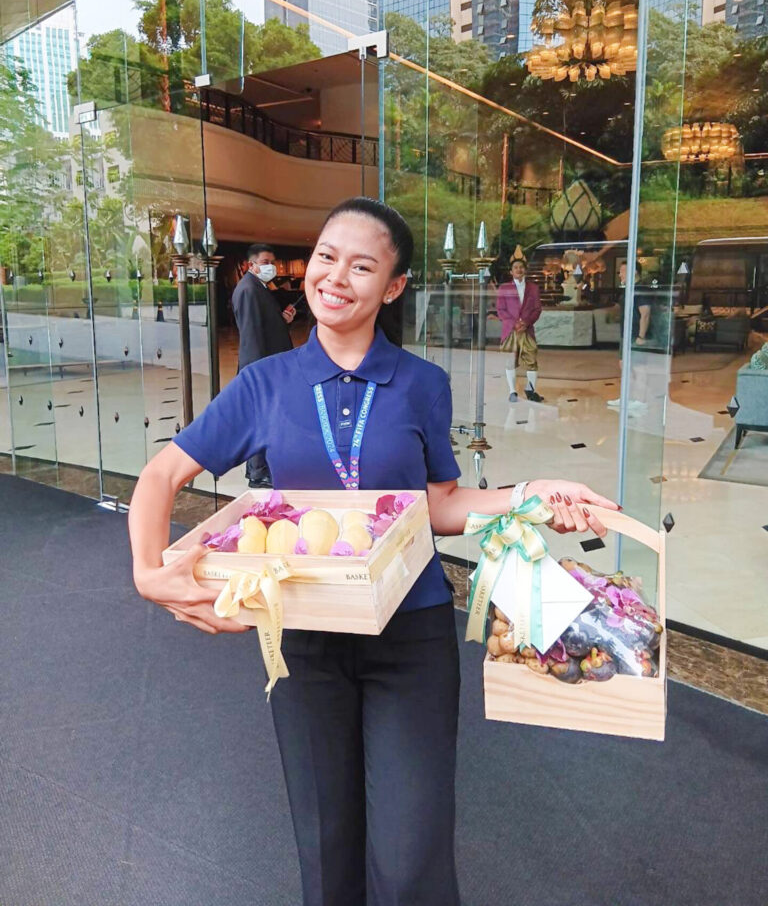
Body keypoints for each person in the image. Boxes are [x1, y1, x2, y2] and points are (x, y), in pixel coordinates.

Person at [128, 196, 618, 906]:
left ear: (392, 287)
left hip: (410, 636)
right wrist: (149, 574)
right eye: (326, 257)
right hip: (302, 635)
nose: (335, 276)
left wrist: (530, 494)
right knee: (325, 845)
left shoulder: (423, 383)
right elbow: (160, 476)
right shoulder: (267, 383)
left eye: (362, 266)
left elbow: (440, 503)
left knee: (410, 848)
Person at [231, 242, 296, 486]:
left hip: (269, 366)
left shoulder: (259, 287)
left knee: (268, 418)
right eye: (266, 262)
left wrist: (282, 321)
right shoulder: (248, 290)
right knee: (260, 418)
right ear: (251, 265)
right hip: (261, 369)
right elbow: (250, 337)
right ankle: (257, 472)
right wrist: (256, 375)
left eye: (272, 262)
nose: (272, 267)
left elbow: (263, 326)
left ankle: (263, 467)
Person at [607, 260, 652, 416]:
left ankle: (641, 400)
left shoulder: (640, 290)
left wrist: (641, 336)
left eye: (623, 271)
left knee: (638, 368)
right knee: (625, 366)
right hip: (625, 335)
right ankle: (627, 397)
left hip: (635, 336)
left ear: (634, 272)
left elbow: (645, 313)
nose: (620, 274)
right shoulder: (628, 289)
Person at [497, 254, 544, 402]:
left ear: (525, 270)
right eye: (515, 267)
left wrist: (527, 322)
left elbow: (537, 309)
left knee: (531, 359)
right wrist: (514, 323)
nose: (519, 269)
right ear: (511, 271)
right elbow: (501, 310)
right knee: (510, 360)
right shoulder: (504, 288)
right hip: (510, 331)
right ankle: (512, 392)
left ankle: (531, 391)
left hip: (527, 329)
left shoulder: (533, 288)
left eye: (521, 267)